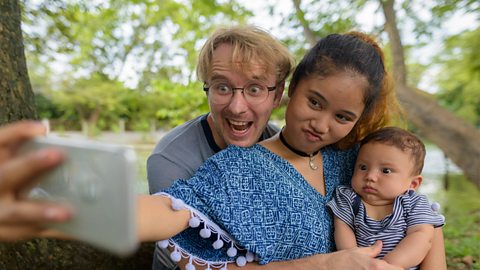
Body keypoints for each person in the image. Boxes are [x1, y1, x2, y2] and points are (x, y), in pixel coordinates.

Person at [0, 30, 446, 269]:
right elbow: (165, 211)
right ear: (289, 91)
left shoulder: (357, 163)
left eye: (343, 118)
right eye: (315, 102)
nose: (322, 125)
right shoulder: (238, 167)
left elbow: (423, 216)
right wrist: (56, 212)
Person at [146, 25, 295, 269]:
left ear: (277, 96)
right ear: (208, 90)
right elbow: (203, 260)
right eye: (222, 87)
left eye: (254, 89)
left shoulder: (280, 144)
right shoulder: (169, 160)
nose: (237, 107)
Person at [327, 127, 445, 270]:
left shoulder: (412, 203)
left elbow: (422, 236)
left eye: (386, 171)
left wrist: (391, 264)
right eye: (363, 167)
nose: (370, 176)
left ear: (413, 184)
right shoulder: (348, 199)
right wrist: (355, 260)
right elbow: (343, 230)